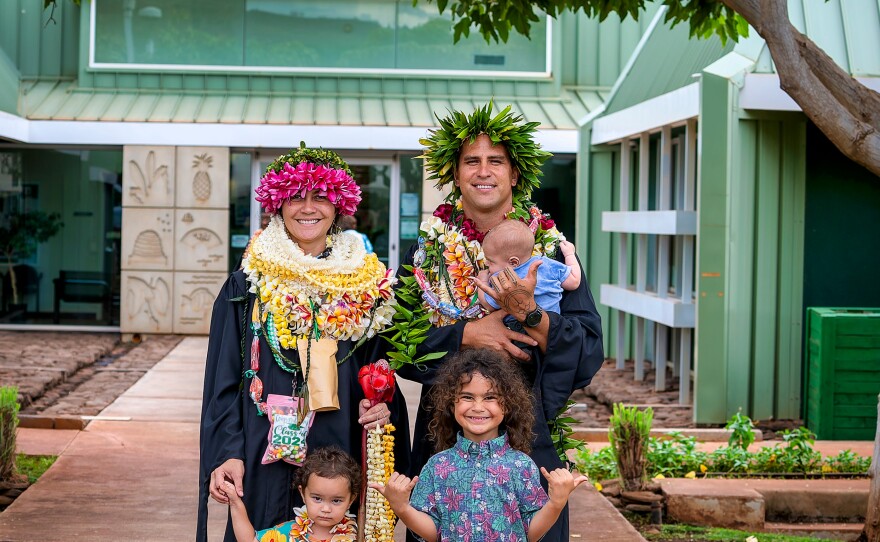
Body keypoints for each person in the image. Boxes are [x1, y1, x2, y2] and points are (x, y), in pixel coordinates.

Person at [393, 102, 604, 541]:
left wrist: (530, 314)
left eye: (496, 161)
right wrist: (469, 334)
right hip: (445, 439)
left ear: (514, 174)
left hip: (530, 437)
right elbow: (395, 345)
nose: (483, 171)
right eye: (472, 160)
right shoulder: (427, 257)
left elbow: (587, 352)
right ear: (455, 174)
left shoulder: (549, 254)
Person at [197, 143, 409, 542]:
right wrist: (228, 451)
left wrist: (381, 408)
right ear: (278, 203)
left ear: (338, 205)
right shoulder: (246, 286)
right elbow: (223, 381)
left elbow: (379, 372)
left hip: (337, 444)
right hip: (262, 447)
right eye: (295, 196)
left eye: (320, 197)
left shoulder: (366, 285)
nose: (308, 208)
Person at [370, 349, 588, 541]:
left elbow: (530, 532)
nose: (477, 407)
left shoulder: (521, 466)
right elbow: (432, 532)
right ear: (451, 403)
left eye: (490, 397)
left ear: (508, 405)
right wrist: (402, 507)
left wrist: (556, 503)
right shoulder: (437, 466)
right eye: (467, 396)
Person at [224, 446, 360, 542]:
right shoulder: (287, 532)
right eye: (317, 498)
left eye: (336, 501)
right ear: (303, 493)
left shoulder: (358, 535)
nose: (326, 509)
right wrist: (236, 503)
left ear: (351, 499)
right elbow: (249, 540)